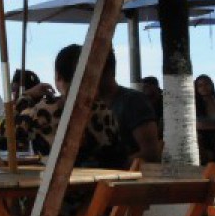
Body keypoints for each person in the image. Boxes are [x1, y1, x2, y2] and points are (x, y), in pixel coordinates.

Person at [11, 44, 162, 168]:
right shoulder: (92, 108)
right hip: (95, 189)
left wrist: (107, 168)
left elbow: (151, 154)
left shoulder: (130, 102)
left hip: (107, 190)